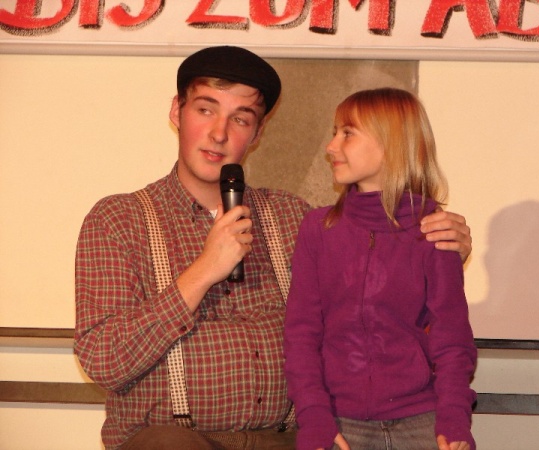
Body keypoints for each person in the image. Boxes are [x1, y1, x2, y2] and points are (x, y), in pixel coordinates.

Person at [74, 47, 473, 450]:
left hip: (290, 436)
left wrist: (441, 242)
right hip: (177, 438)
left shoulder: (294, 216)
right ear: (178, 111)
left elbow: (379, 287)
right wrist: (202, 272)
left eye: (241, 118)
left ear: (257, 133)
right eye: (206, 110)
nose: (219, 134)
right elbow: (103, 361)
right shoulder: (119, 220)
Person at [284, 88, 477, 450]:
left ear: (391, 143)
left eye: (347, 133)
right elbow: (301, 335)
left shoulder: (435, 231)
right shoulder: (318, 229)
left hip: (421, 420)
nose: (331, 146)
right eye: (335, 132)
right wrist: (314, 418)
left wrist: (453, 420)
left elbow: (452, 341)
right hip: (339, 422)